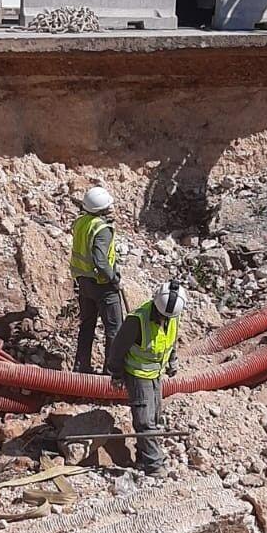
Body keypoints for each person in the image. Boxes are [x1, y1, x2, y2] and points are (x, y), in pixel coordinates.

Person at [107, 281, 185, 476]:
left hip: (156, 373)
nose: (164, 319)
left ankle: (143, 457)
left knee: (155, 418)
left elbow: (171, 339)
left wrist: (172, 360)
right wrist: (116, 373)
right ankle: (154, 464)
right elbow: (117, 348)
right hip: (137, 373)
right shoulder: (137, 320)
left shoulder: (172, 315)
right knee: (144, 421)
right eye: (161, 316)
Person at [69, 186, 123, 374]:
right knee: (114, 329)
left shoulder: (81, 222)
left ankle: (81, 367)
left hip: (83, 283)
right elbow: (100, 260)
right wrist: (113, 278)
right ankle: (111, 372)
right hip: (102, 285)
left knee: (87, 326)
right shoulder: (102, 229)